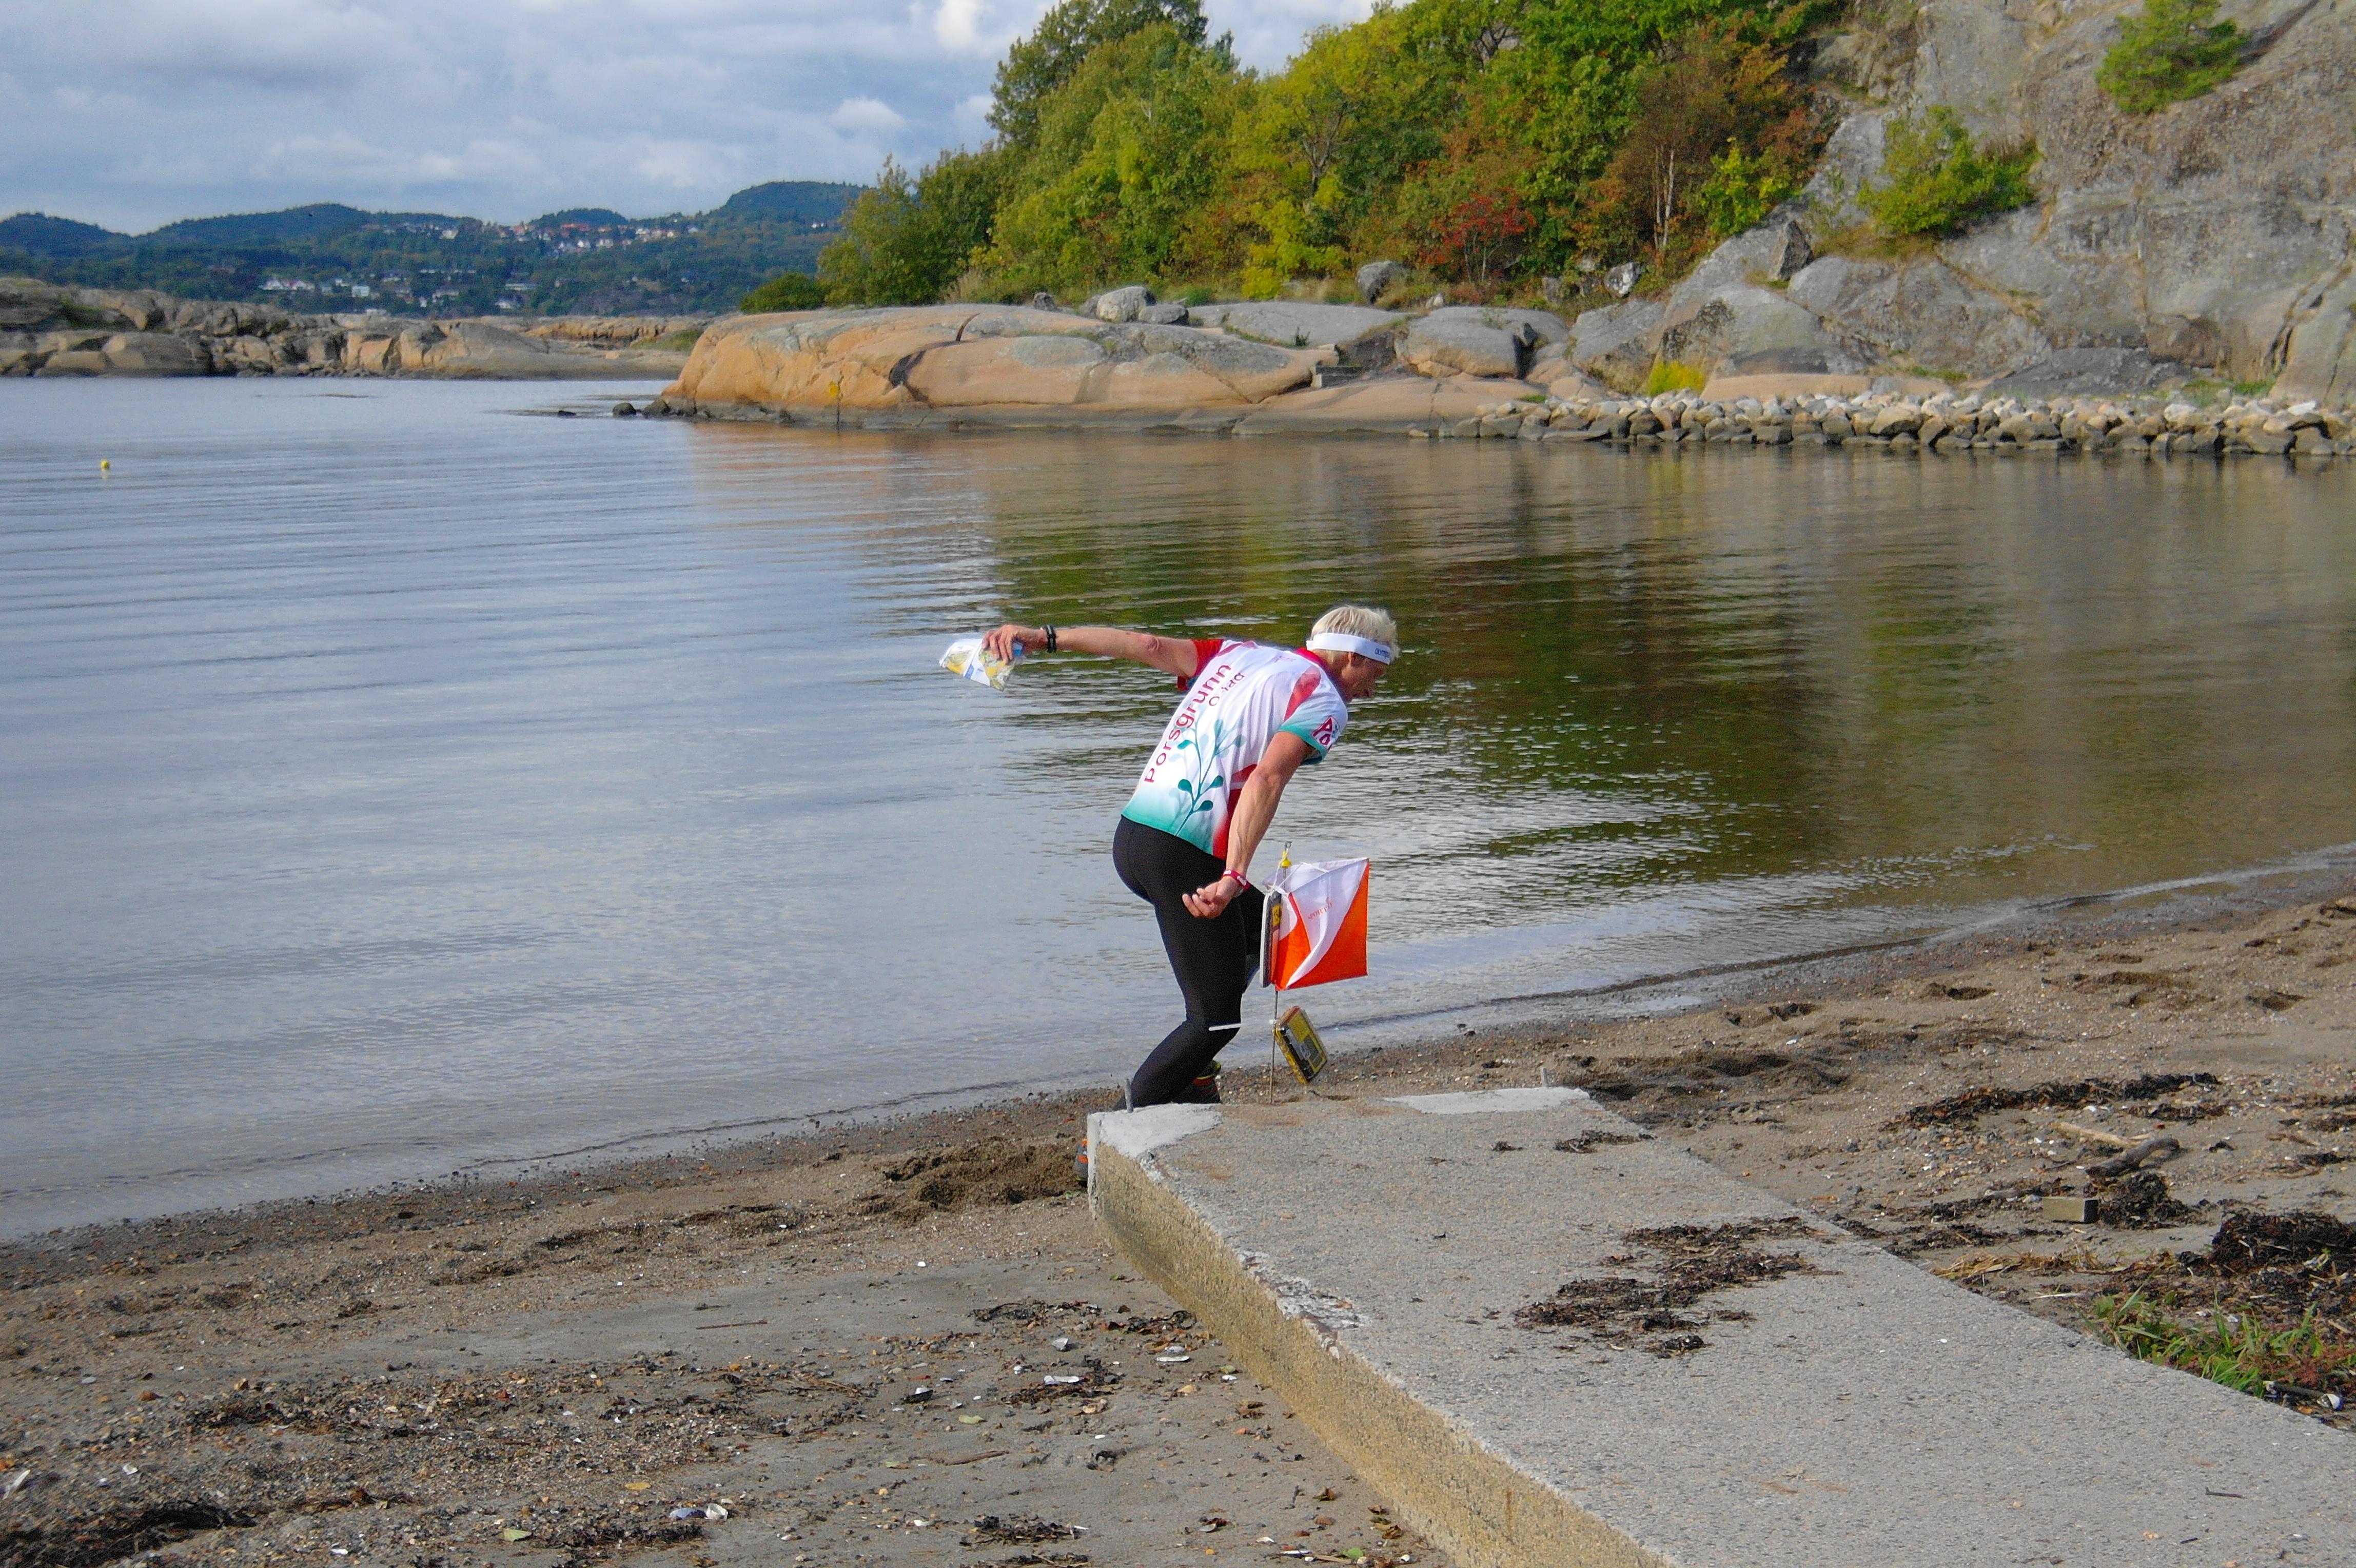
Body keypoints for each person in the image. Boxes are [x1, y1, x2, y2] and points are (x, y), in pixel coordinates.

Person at [983, 606, 1397, 1107]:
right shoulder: (1323, 698)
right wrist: (1234, 876)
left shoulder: (1240, 653)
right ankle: (1114, 1130)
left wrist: (1046, 636)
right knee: (1215, 1018)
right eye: (1374, 674)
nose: (1371, 690)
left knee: (1256, 936)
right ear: (1352, 657)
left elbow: (1144, 645)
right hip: (1184, 855)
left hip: (1135, 838)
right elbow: (1266, 778)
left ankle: (1193, 1082)